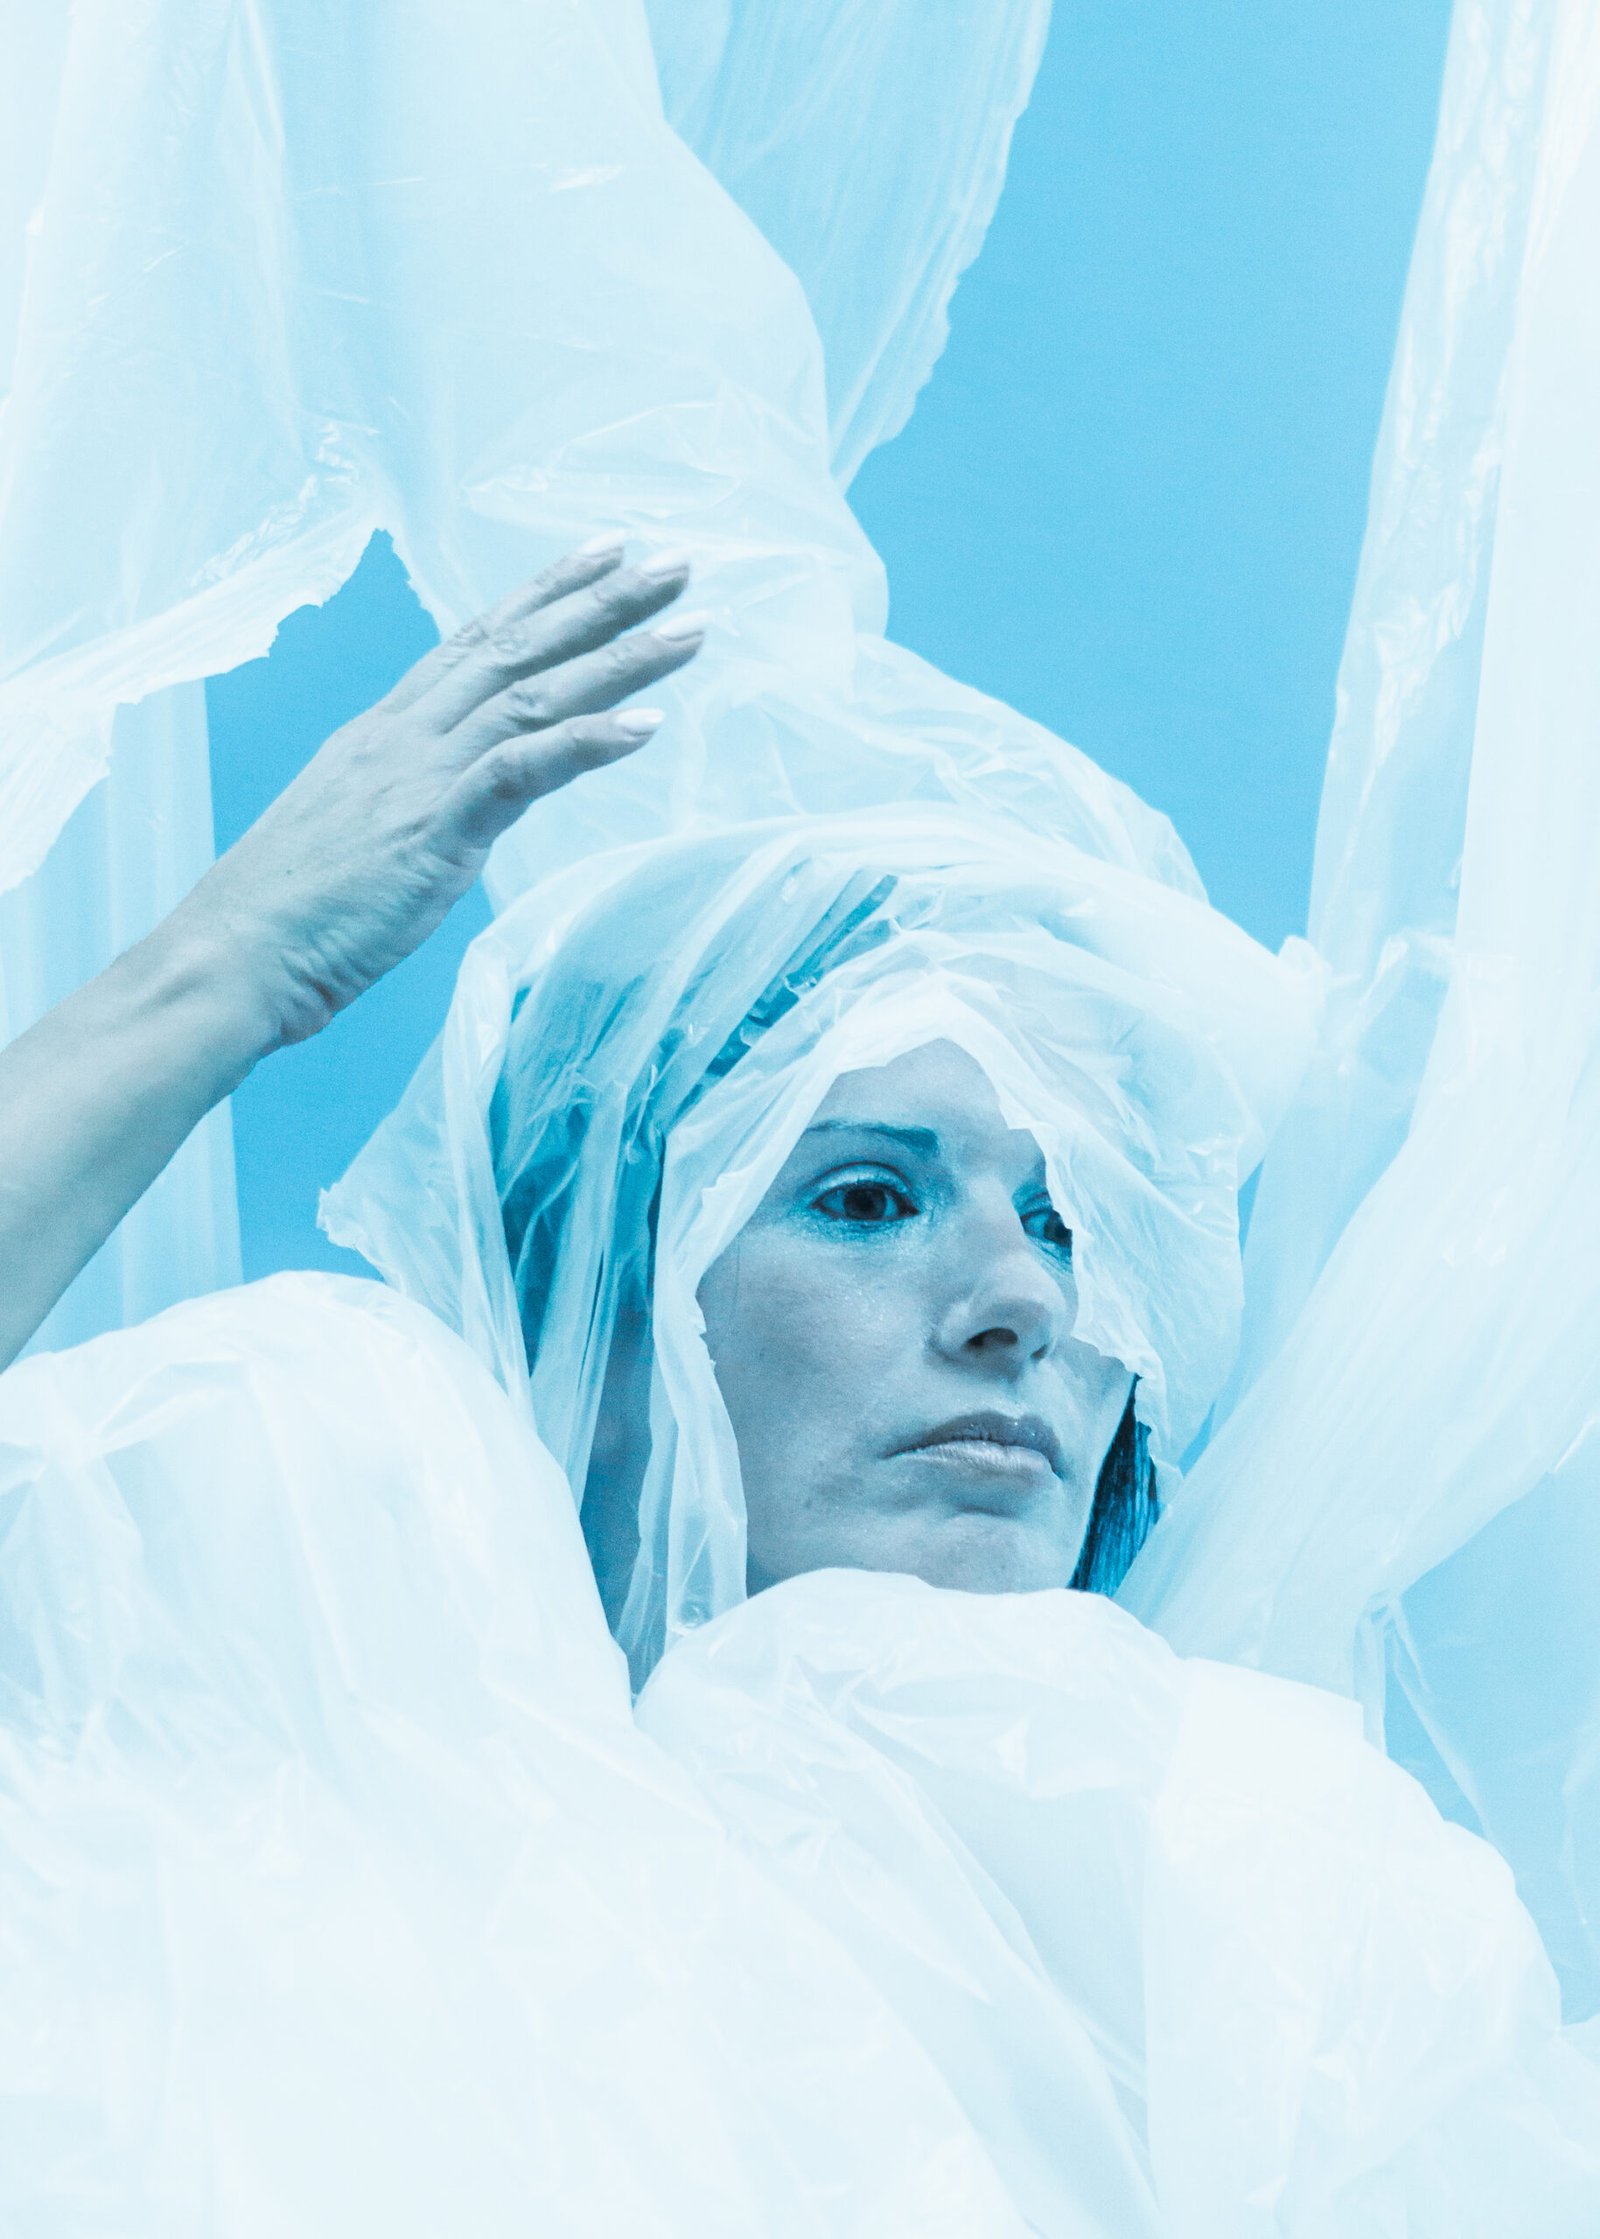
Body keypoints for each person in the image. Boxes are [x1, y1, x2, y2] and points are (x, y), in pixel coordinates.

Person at [2, 538, 1599, 2234]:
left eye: (1069, 1221)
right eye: (865, 1199)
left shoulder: (1279, 1905)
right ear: (597, 1300)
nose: (1024, 1302)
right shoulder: (304, 1635)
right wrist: (225, 970)